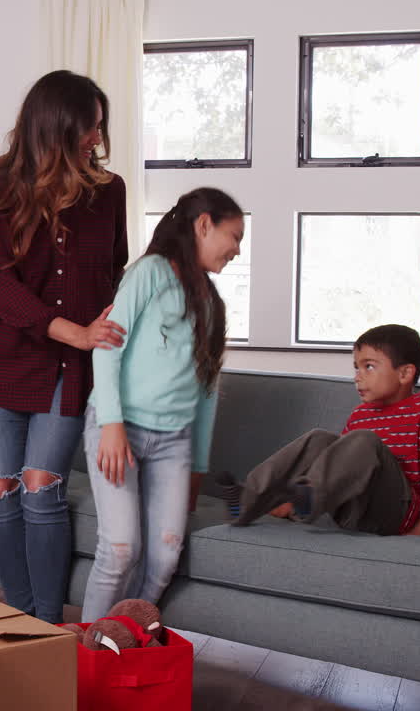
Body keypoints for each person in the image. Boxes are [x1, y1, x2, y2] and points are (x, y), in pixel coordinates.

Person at [0, 70, 129, 624]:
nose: (97, 139)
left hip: (68, 368)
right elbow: (2, 290)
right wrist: (75, 330)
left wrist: (105, 327)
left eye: (100, 127)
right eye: (89, 127)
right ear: (56, 127)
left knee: (40, 489)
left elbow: (114, 268)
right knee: (0, 489)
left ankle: (45, 626)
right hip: (1, 365)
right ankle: (19, 621)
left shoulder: (109, 192)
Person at [83, 187, 244, 621]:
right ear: (204, 225)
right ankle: (86, 651)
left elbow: (206, 391)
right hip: (120, 430)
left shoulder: (211, 303)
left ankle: (123, 638)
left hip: (174, 443)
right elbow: (107, 348)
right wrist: (112, 425)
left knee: (166, 556)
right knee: (120, 550)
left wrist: (197, 468)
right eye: (234, 236)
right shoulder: (149, 273)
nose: (237, 249)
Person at [234, 324, 420, 537]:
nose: (357, 377)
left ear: (404, 373)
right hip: (353, 512)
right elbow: (341, 470)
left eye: (369, 367)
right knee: (319, 439)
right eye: (356, 368)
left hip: (396, 514)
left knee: (363, 441)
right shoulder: (360, 414)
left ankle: (306, 499)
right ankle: (251, 497)